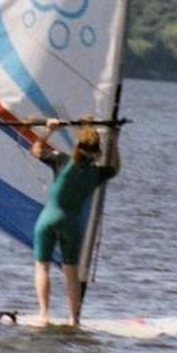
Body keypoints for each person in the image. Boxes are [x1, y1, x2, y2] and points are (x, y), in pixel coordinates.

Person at [28, 117, 120, 329]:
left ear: (78, 145)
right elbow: (115, 167)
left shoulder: (61, 160)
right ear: (97, 152)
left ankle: (43, 315)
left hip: (48, 219)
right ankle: (74, 319)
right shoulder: (98, 173)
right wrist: (114, 141)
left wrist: (49, 130)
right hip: (72, 224)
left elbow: (36, 149)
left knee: (42, 267)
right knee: (71, 273)